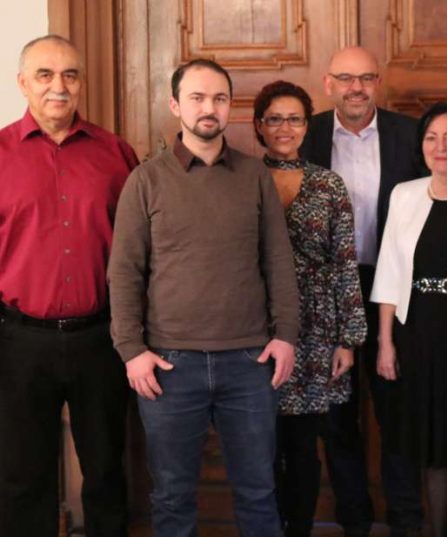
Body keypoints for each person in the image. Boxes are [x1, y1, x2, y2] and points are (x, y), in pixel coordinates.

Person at [107, 59, 299, 537]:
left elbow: (278, 261)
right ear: (175, 106)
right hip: (170, 367)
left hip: (250, 362)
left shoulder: (255, 176)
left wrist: (286, 337)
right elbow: (124, 273)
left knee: (258, 492)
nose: (208, 108)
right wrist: (132, 351)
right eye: (196, 97)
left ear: (229, 107)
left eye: (218, 98)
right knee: (172, 497)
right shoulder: (145, 181)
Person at [0, 35, 138, 537]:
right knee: (21, 475)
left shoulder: (116, 153)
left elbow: (140, 250)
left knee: (105, 471)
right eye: (45, 74)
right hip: (18, 341)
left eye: (70, 75)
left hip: (100, 338)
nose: (59, 86)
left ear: (81, 83)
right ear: (22, 83)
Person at [300, 45, 423, 537]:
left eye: (366, 78)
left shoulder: (409, 136)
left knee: (398, 415)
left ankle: (406, 522)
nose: (357, 88)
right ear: (328, 84)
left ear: (378, 82)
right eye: (346, 78)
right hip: (327, 295)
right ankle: (355, 521)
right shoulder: (303, 135)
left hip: (395, 290)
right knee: (336, 419)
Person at [371, 101, 447, 537]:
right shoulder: (404, 194)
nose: (440, 147)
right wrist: (385, 342)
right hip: (417, 335)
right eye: (431, 138)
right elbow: (388, 269)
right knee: (433, 443)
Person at [253, 79, 367, 537]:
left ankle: (298, 528)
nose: (285, 128)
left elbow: (345, 264)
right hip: (255, 328)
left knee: (305, 447)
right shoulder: (242, 178)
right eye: (274, 119)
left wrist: (349, 340)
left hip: (318, 335)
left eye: (295, 118)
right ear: (259, 126)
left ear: (307, 125)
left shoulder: (328, 184)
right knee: (259, 444)